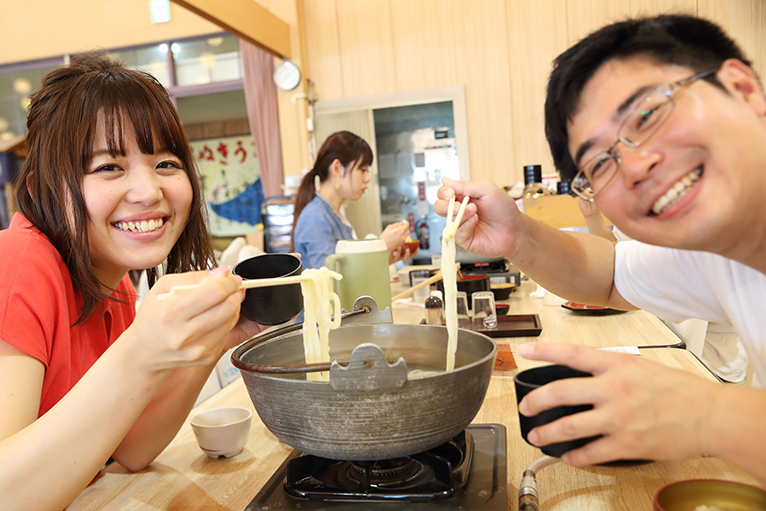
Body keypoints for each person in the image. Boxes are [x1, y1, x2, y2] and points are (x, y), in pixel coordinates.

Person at [435, 14, 766, 481]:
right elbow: (610, 275)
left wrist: (707, 415)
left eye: (648, 115)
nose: (634, 167)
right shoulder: (721, 252)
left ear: (742, 89)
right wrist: (516, 235)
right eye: (600, 163)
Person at [0, 53, 265, 511]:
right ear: (46, 185)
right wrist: (141, 351)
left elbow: (132, 450)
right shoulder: (17, 262)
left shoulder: (112, 282)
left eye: (166, 163)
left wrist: (208, 342)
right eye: (108, 167)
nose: (149, 191)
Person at [578, 197, 749, 384]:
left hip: (716, 363)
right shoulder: (639, 200)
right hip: (664, 342)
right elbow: (617, 255)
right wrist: (593, 216)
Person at [291, 131, 416, 270]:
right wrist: (380, 245)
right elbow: (330, 281)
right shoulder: (315, 217)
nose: (368, 178)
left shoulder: (334, 214)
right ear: (337, 168)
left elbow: (351, 273)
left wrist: (385, 258)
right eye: (362, 169)